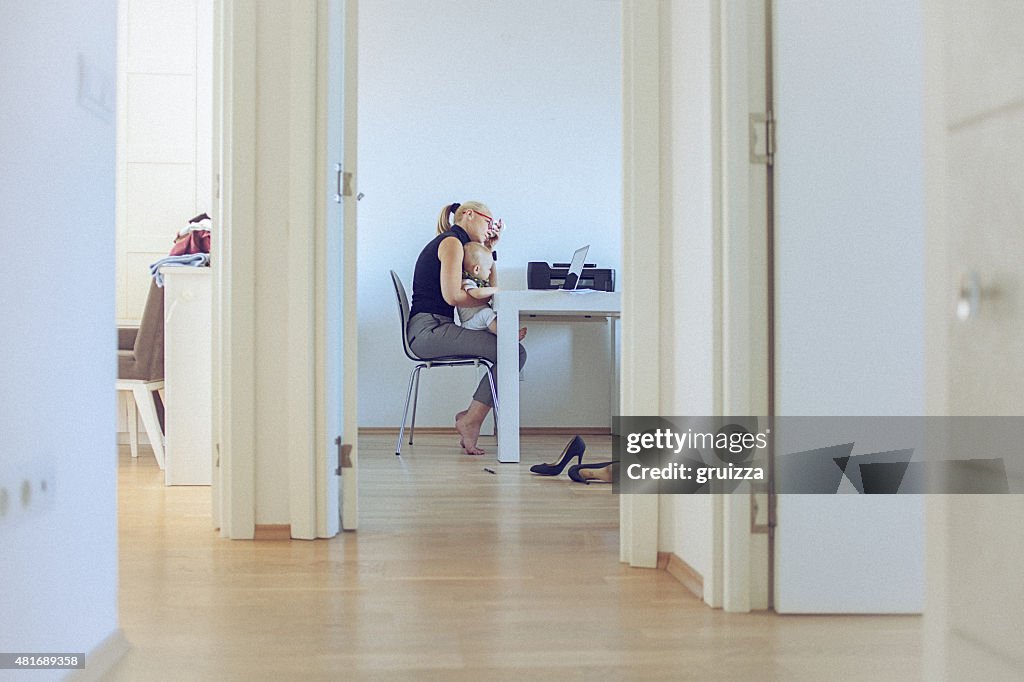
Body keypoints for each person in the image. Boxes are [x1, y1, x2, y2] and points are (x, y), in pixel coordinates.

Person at [408, 201, 527, 455]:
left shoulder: (463, 247)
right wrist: (494, 287)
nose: (490, 228)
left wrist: (489, 252)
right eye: (488, 222)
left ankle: (471, 418)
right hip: (428, 331)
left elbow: (489, 296)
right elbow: (453, 297)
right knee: (513, 352)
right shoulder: (451, 243)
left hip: (436, 328)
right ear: (469, 215)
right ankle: (471, 420)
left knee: (512, 350)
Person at [456, 242, 527, 340]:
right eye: (488, 269)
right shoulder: (467, 282)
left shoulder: (479, 282)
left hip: (478, 320)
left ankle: (507, 331)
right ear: (477, 269)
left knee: (497, 314)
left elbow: (492, 282)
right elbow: (477, 293)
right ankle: (509, 336)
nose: (490, 272)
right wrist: (496, 290)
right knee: (486, 313)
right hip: (469, 323)